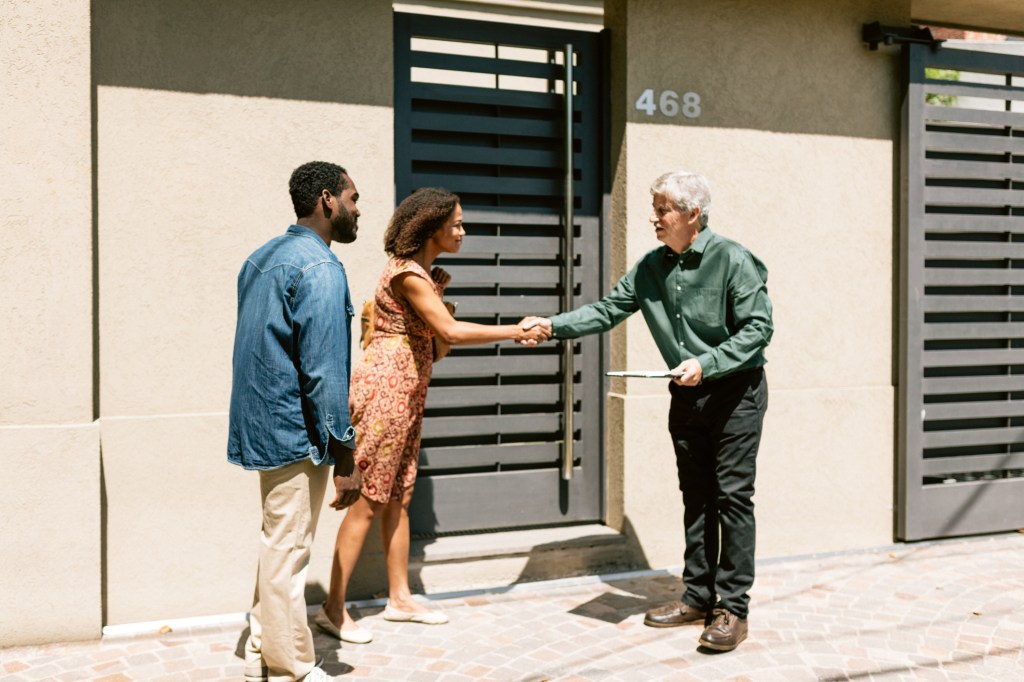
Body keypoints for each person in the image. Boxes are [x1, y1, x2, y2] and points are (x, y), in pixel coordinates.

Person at [524, 171, 772, 652]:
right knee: (696, 498)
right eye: (654, 208)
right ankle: (698, 596)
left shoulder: (732, 260)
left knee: (732, 499)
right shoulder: (651, 267)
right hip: (687, 394)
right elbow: (607, 309)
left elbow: (758, 329)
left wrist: (707, 362)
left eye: (663, 209)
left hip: (735, 393)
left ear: (692, 215)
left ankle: (733, 609)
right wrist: (551, 326)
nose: (653, 217)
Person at [315, 187, 550, 644]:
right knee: (368, 502)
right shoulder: (408, 275)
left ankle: (400, 599)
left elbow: (438, 339)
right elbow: (449, 332)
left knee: (399, 496)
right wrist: (515, 329)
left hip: (407, 391)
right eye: (456, 223)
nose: (463, 231)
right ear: (430, 227)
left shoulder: (423, 273)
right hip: (386, 392)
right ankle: (332, 608)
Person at [228, 161, 365, 682]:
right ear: (328, 200)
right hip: (295, 432)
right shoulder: (321, 269)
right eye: (353, 199)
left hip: (263, 424)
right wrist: (345, 453)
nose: (357, 210)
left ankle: (262, 650)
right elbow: (325, 373)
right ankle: (292, 669)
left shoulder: (261, 258)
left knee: (277, 543)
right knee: (289, 553)